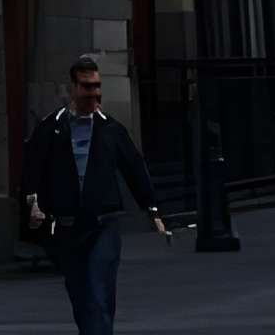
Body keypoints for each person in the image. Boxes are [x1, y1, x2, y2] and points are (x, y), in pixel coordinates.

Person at [22, 56, 169, 335]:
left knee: (99, 292)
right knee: (80, 296)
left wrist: (152, 209)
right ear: (73, 88)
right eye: (87, 87)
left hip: (104, 224)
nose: (94, 93)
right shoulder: (51, 128)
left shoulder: (110, 130)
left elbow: (134, 167)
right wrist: (32, 205)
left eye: (98, 86)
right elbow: (32, 171)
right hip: (66, 227)